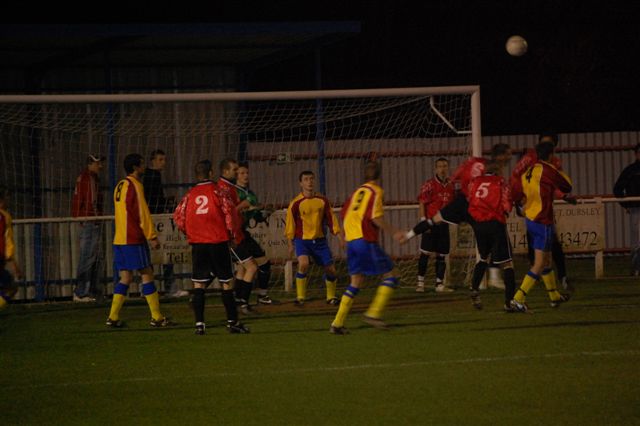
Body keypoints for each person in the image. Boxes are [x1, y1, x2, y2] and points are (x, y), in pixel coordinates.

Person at [174, 160, 249, 335]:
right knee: (226, 283)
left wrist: (190, 233)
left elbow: (178, 216)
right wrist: (232, 236)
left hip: (199, 244)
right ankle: (233, 322)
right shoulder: (218, 191)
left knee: (199, 284)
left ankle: (199, 325)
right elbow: (229, 214)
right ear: (211, 173)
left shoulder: (190, 194)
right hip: (218, 242)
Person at [330, 161, 403, 334]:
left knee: (356, 281)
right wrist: (394, 232)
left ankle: (337, 323)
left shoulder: (356, 192)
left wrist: (346, 237)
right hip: (365, 241)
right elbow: (375, 218)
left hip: (352, 242)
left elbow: (344, 214)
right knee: (392, 275)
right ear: (379, 175)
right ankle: (374, 314)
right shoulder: (376, 191)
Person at [106, 153, 173, 328]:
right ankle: (157, 317)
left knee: (125, 277)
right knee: (147, 273)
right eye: (142, 164)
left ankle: (112, 317)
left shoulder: (120, 185)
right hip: (133, 238)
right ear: (136, 167)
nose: (144, 167)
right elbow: (143, 213)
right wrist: (151, 236)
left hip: (119, 238)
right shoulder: (135, 185)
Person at [510, 141, 572, 312]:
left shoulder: (528, 170)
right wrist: (558, 170)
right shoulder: (549, 170)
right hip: (542, 220)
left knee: (547, 260)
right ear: (551, 154)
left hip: (531, 219)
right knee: (539, 263)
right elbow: (568, 185)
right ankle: (518, 298)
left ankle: (554, 296)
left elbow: (519, 193)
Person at [466, 146, 518, 311]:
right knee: (508, 263)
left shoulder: (474, 182)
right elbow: (507, 204)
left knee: (483, 258)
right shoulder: (501, 182)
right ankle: (509, 302)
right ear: (498, 170)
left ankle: (474, 288)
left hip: (479, 225)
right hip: (495, 223)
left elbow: (469, 199)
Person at [285, 170, 342, 306]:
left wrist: (340, 237)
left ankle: (331, 297)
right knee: (303, 264)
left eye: (311, 179)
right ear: (300, 183)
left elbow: (331, 220)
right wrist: (290, 243)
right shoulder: (296, 203)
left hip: (319, 241)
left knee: (331, 270)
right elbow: (290, 224)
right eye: (306, 179)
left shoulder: (322, 200)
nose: (309, 181)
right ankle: (300, 297)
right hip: (302, 241)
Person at [216, 158, 259, 314]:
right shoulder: (222, 189)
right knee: (252, 267)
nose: (238, 173)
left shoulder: (229, 188)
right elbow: (228, 213)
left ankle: (239, 300)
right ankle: (242, 302)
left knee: (241, 269)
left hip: (237, 234)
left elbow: (233, 212)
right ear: (225, 171)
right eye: (235, 170)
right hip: (231, 236)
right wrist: (244, 205)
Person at [142, 149, 186, 298]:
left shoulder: (153, 176)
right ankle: (167, 288)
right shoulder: (151, 176)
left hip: (156, 218)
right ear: (152, 161)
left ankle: (150, 288)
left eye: (164, 159)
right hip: (155, 220)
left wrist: (166, 201)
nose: (163, 163)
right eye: (160, 159)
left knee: (160, 254)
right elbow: (151, 199)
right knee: (164, 252)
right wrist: (164, 203)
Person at [236, 162, 276, 305]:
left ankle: (260, 296)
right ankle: (241, 301)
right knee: (247, 267)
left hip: (244, 233)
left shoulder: (250, 193)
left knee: (261, 264)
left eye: (247, 173)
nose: (245, 175)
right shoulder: (235, 193)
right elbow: (235, 211)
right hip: (235, 235)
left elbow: (257, 217)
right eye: (242, 173)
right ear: (235, 176)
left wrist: (265, 213)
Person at [415, 157, 455, 293]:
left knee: (442, 255)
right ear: (435, 169)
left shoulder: (451, 185)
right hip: (430, 223)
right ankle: (420, 283)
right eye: (440, 166)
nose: (443, 169)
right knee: (425, 253)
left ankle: (439, 284)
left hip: (444, 224)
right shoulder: (429, 184)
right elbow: (422, 202)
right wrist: (423, 221)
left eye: (445, 166)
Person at [71, 154, 105, 302]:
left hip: (90, 222)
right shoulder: (88, 178)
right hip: (89, 222)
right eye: (98, 163)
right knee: (87, 257)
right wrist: (90, 219)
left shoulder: (91, 178)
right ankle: (80, 292)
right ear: (90, 164)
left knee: (94, 258)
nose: (101, 166)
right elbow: (90, 202)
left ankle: (91, 290)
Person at [613, 143, 640, 276]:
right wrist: (627, 205)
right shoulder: (630, 170)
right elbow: (617, 189)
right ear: (636, 154)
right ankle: (636, 269)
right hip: (636, 209)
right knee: (636, 241)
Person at [0, 187, 22, 311]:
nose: (9, 201)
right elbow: (6, 240)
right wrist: (12, 262)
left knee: (11, 287)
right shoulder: (4, 216)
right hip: (1, 257)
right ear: (2, 199)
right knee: (11, 288)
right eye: (7, 198)